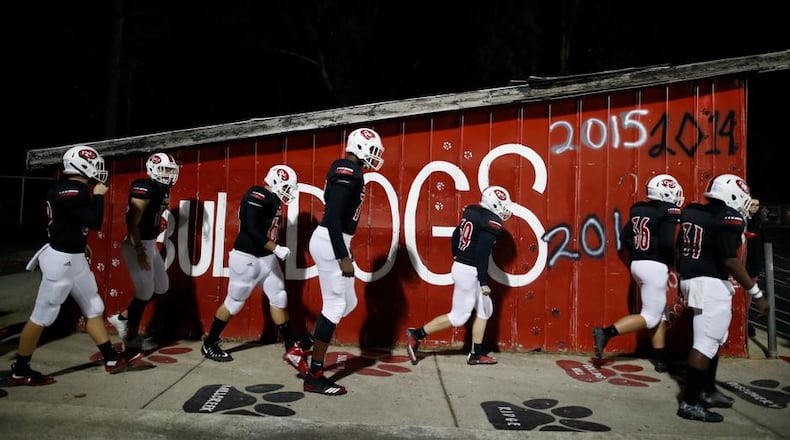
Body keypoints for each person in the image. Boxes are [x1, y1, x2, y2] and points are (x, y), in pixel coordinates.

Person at [10, 145, 138, 385]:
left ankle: (111, 357)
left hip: (73, 257)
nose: (99, 169)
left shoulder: (65, 188)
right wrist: (99, 195)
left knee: (93, 307)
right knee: (42, 316)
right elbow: (94, 221)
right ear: (80, 165)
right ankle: (20, 369)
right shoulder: (75, 190)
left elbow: (69, 221)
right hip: (62, 261)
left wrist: (79, 242)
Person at [295, 127, 385, 395]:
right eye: (372, 150)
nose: (375, 156)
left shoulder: (346, 168)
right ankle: (314, 374)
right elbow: (333, 217)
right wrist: (342, 255)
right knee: (334, 306)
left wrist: (345, 248)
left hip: (335, 240)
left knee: (350, 303)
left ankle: (303, 345)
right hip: (330, 241)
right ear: (359, 147)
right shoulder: (349, 170)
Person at [674, 173, 769, 422]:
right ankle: (691, 403)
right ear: (734, 195)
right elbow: (729, 260)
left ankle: (707, 390)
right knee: (705, 344)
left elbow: (678, 247)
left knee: (712, 340)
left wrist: (682, 276)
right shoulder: (728, 218)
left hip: (693, 278)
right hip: (709, 283)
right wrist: (756, 293)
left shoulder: (694, 212)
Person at [201, 164, 306, 365]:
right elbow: (250, 229)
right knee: (234, 303)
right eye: (286, 186)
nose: (288, 192)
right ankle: (210, 342)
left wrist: (272, 251)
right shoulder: (257, 194)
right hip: (246, 258)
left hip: (265, 258)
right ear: (275, 181)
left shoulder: (273, 199)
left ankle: (290, 345)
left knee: (279, 297)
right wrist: (275, 247)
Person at [406, 185, 514, 366]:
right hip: (470, 271)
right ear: (494, 204)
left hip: (463, 266)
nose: (505, 209)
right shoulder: (491, 220)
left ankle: (476, 354)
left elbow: (457, 233)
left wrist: (456, 253)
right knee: (459, 316)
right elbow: (482, 252)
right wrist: (482, 281)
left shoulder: (473, 211)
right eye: (502, 204)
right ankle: (416, 334)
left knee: (485, 309)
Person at [593, 174, 684, 372]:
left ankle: (660, 359)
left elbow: (625, 237)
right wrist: (674, 264)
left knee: (660, 314)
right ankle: (606, 332)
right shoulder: (669, 210)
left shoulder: (639, 209)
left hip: (638, 264)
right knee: (651, 317)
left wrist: (640, 252)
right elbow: (668, 243)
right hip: (654, 266)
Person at [108, 153, 180, 354]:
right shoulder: (145, 186)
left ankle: (123, 317)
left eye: (171, 170)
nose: (168, 174)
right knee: (145, 293)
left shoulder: (162, 188)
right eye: (164, 170)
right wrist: (139, 249)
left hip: (148, 244)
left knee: (161, 286)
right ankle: (130, 340)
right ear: (152, 169)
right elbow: (132, 221)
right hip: (137, 245)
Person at [745, 198, 764, 337]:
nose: (755, 207)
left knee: (749, 296)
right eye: (752, 204)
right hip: (744, 262)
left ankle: (746, 321)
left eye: (757, 205)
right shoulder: (743, 220)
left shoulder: (759, 221)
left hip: (754, 262)